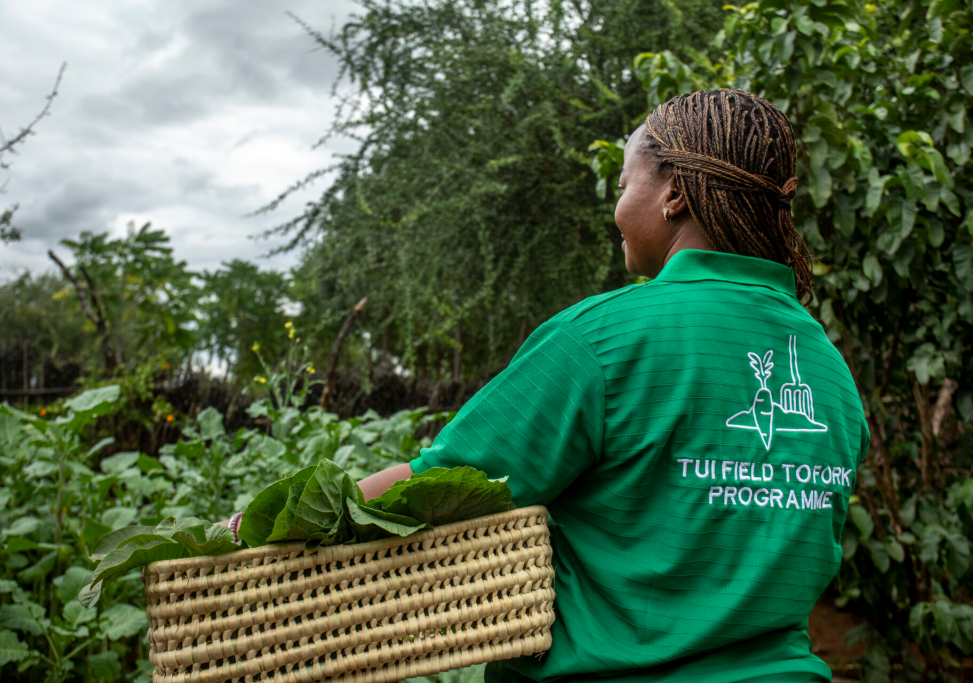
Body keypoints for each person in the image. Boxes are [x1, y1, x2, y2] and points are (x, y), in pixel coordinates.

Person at [225, 90, 868, 683]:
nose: (617, 209)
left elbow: (444, 487)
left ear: (673, 193)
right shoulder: (829, 372)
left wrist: (256, 529)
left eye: (624, 184)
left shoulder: (605, 341)